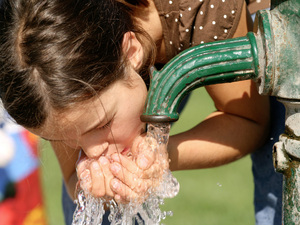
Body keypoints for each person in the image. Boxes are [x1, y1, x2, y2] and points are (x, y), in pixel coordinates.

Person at [0, 0, 279, 224]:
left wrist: (161, 154)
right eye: (65, 139)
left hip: (231, 19)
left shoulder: (204, 7)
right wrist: (91, 186)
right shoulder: (52, 80)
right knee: (97, 201)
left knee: (283, 165)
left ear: (131, 52)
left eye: (101, 125)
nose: (93, 153)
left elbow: (250, 119)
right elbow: (74, 181)